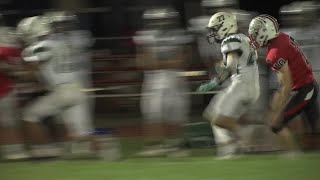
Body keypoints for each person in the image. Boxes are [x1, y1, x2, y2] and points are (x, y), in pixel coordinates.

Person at [248, 14, 319, 153]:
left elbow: (286, 85)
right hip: (307, 85)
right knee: (314, 130)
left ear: (264, 32)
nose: (253, 37)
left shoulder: (274, 52)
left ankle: (293, 155)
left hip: (304, 89)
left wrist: (276, 111)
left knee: (276, 124)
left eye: (255, 33)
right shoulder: (282, 37)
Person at [198, 12, 260, 158]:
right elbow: (239, 62)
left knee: (219, 120)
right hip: (251, 86)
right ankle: (229, 149)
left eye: (214, 29)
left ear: (224, 27)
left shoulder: (230, 40)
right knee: (213, 114)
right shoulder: (244, 38)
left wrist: (212, 83)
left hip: (241, 86)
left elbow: (231, 66)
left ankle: (245, 140)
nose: (213, 33)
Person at [134, 7, 192, 156]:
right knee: (152, 113)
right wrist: (169, 61)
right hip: (153, 80)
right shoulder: (145, 36)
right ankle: (154, 145)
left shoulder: (179, 36)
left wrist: (158, 62)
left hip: (175, 79)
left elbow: (181, 61)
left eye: (164, 20)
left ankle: (177, 146)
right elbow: (143, 63)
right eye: (158, 21)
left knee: (176, 114)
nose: (161, 24)